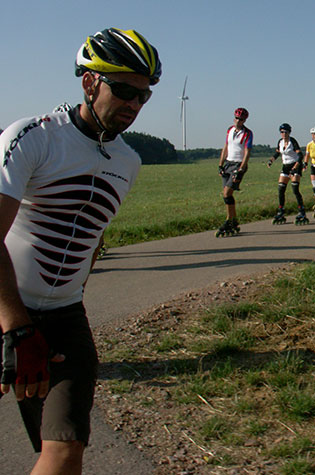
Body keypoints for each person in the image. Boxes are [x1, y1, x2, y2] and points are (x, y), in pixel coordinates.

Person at [0, 27, 161, 474]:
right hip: (6, 309)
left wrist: (69, 298)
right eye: (125, 90)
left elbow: (92, 236)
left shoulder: (128, 162)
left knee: (66, 450)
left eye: (143, 96)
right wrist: (17, 327)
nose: (134, 104)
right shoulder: (33, 137)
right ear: (90, 82)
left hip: (65, 317)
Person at [216, 107, 253, 237]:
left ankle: (228, 220)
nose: (238, 121)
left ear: (244, 120)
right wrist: (221, 164)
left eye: (241, 119)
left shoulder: (248, 133)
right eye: (237, 118)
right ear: (234, 118)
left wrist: (242, 168)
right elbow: (226, 147)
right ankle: (234, 219)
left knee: (227, 192)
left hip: (238, 165)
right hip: (228, 163)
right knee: (226, 195)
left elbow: (247, 152)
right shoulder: (229, 130)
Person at [268, 123, 308, 225]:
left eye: (286, 132)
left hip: (295, 166)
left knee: (295, 189)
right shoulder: (280, 142)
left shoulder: (292, 141)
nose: (284, 134)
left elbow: (300, 156)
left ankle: (301, 210)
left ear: (289, 132)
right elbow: (277, 152)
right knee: (281, 189)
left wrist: (295, 168)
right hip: (285, 166)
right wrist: (271, 160)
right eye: (282, 132)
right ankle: (281, 210)